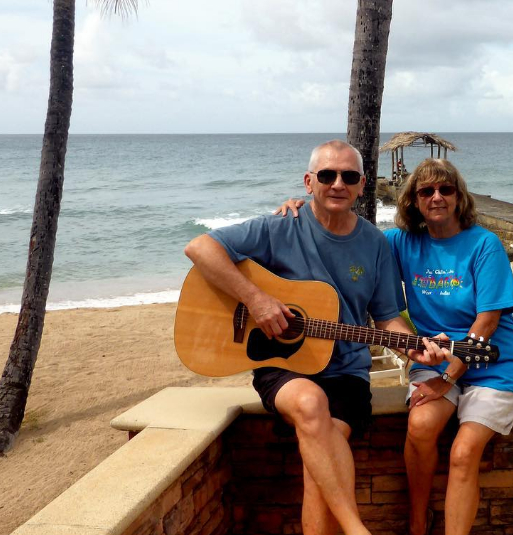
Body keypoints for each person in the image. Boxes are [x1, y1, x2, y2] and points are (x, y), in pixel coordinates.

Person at [185, 140, 443, 535]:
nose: (338, 183)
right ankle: (357, 529)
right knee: (309, 403)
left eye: (349, 176)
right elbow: (200, 247)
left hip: (347, 373)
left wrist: (413, 350)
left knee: (318, 464)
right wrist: (256, 300)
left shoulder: (375, 244)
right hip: (283, 366)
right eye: (327, 175)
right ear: (309, 182)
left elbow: (388, 317)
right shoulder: (279, 227)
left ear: (361, 186)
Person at [276, 158, 513, 535]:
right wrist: (303, 211)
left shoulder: (484, 244)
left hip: (491, 360)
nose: (437, 197)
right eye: (426, 191)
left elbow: (487, 322)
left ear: (459, 197)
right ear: (413, 200)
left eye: (446, 189)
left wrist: (448, 377)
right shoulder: (399, 242)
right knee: (421, 426)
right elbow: (346, 239)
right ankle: (417, 521)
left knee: (462, 453)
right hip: (433, 353)